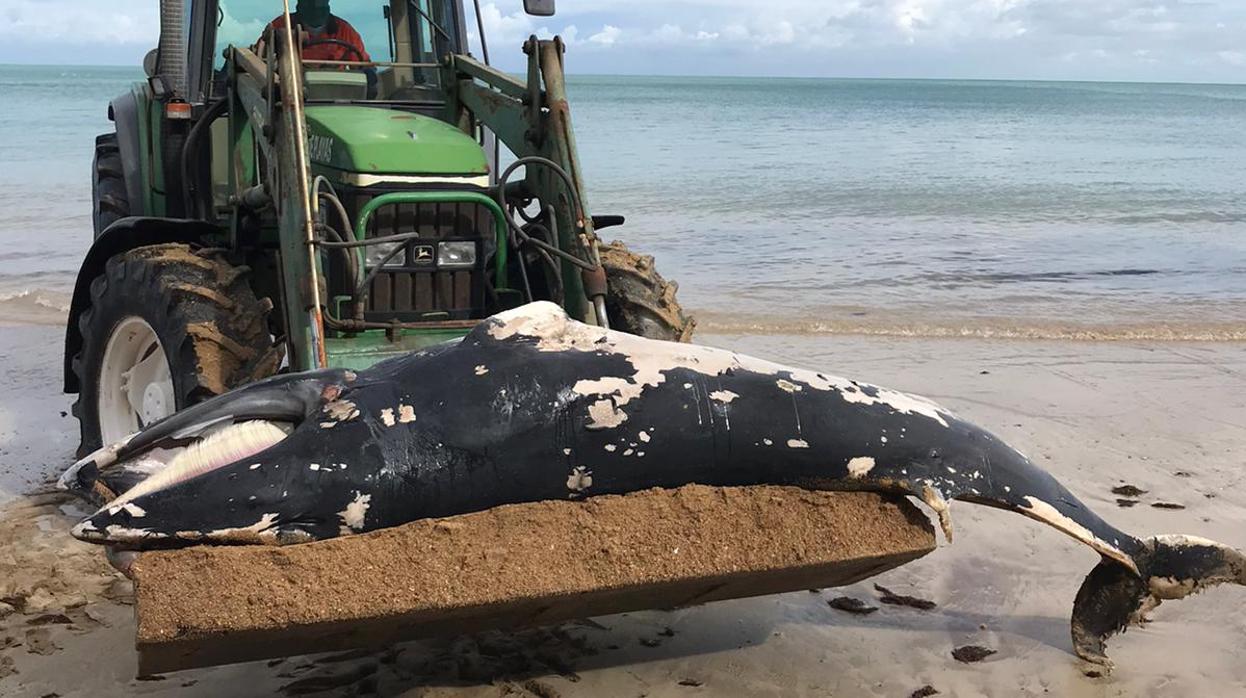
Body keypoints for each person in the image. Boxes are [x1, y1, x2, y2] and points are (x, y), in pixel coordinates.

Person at [258, 0, 371, 64]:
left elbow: (363, 65)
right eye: (310, 2)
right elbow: (259, 60)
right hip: (291, 97)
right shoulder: (281, 26)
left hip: (338, 98)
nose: (316, 6)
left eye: (321, 3)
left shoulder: (344, 31)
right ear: (299, 4)